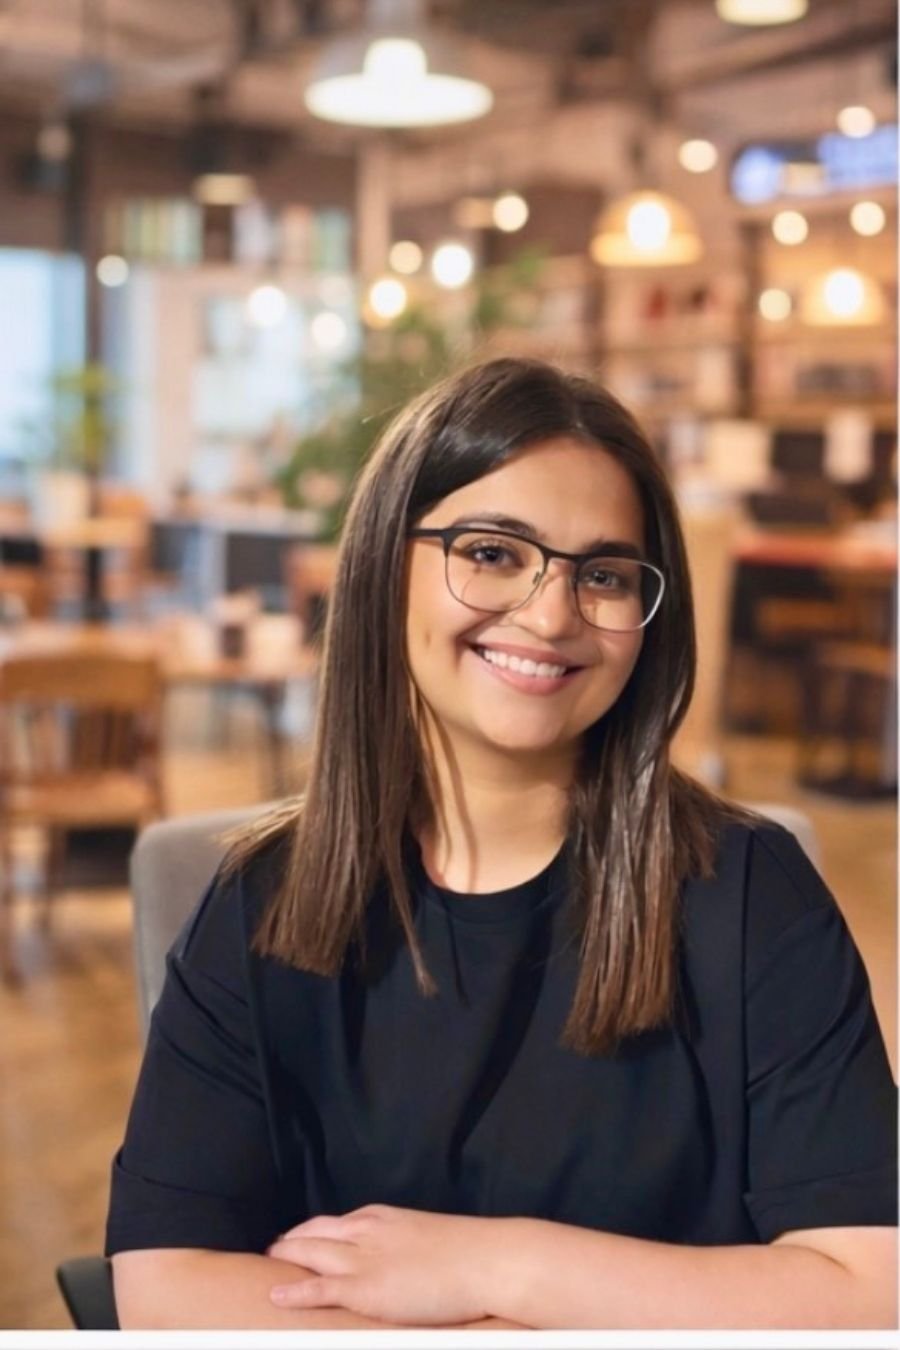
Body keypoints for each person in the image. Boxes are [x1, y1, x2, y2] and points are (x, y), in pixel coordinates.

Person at [107, 358, 897, 1330]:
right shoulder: (259, 900)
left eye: (604, 575)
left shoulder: (746, 894)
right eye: (490, 552)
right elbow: (164, 1281)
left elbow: (871, 1292)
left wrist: (499, 1267)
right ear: (384, 564)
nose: (552, 613)